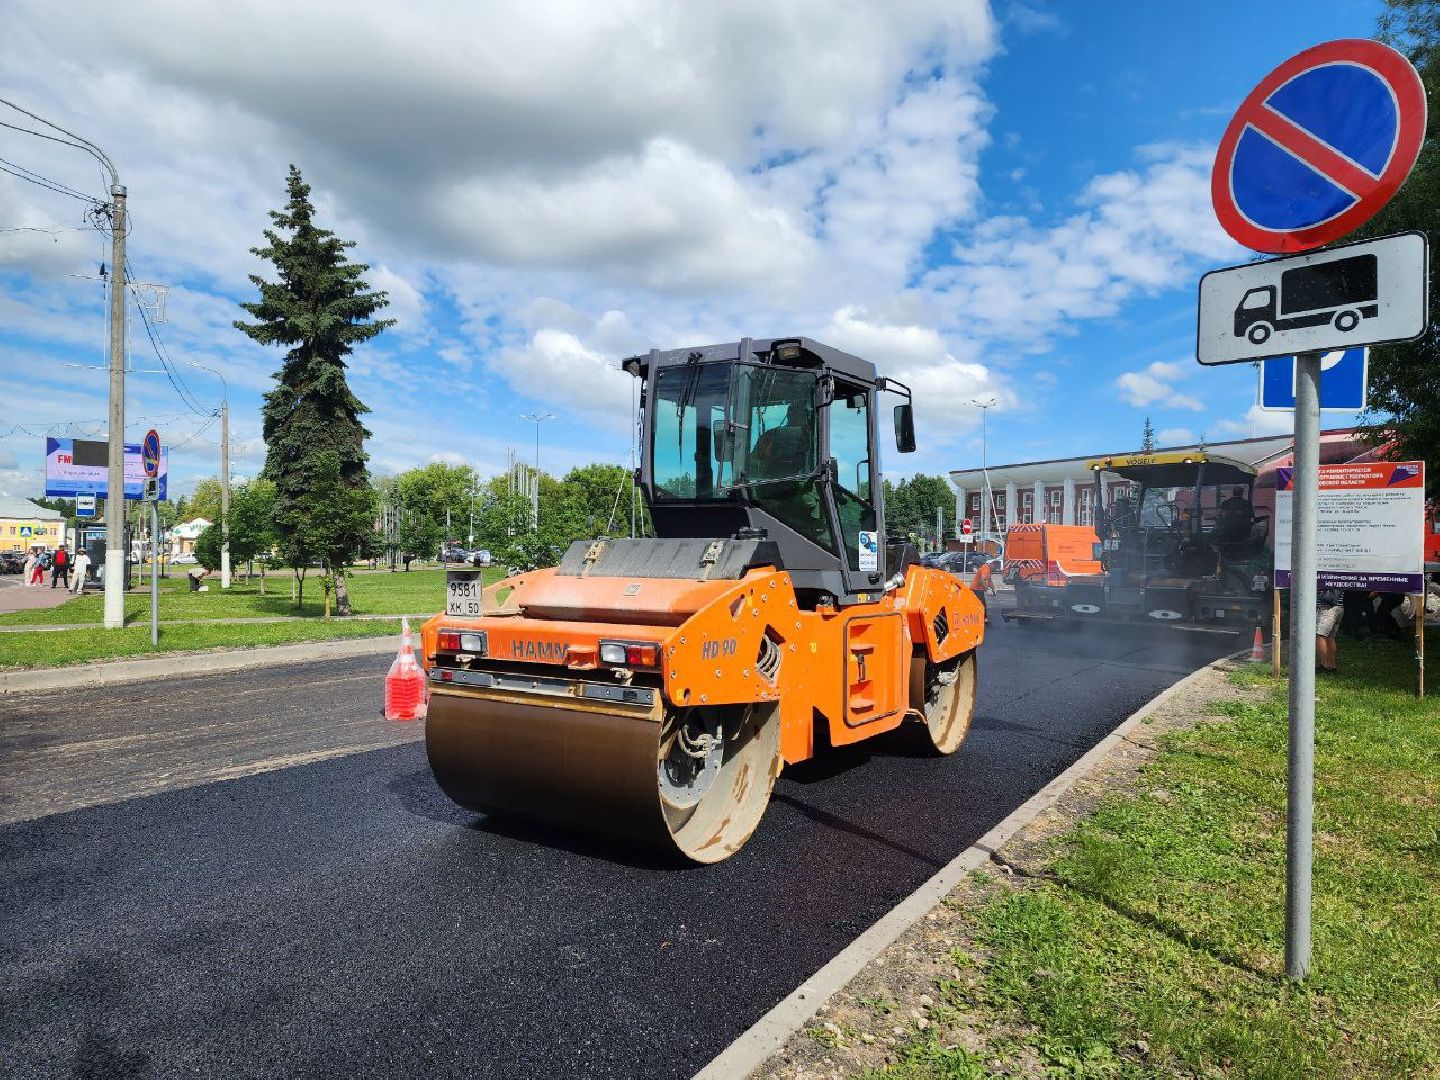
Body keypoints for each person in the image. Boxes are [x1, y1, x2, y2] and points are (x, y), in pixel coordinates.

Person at [1316, 587, 1342, 674]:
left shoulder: (1324, 575)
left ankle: (1324, 665)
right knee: (1331, 637)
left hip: (1327, 608)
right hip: (1340, 607)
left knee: (1320, 636)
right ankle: (1332, 667)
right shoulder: (1339, 575)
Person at [970, 557, 995, 625]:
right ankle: (982, 621)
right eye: (994, 564)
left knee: (982, 605)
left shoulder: (989, 569)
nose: (995, 565)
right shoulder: (985, 568)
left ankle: (983, 620)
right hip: (976, 589)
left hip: (980, 590)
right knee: (981, 605)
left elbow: (989, 580)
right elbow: (982, 580)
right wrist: (987, 589)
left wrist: (993, 589)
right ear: (990, 563)